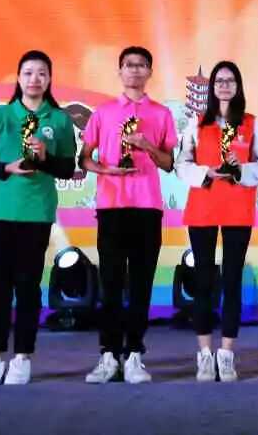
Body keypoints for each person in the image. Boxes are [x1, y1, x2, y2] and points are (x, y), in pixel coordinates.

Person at [0, 50, 78, 386]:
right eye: (28, 72)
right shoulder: (1, 116)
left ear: (50, 79)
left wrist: (44, 159)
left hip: (36, 213)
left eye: (42, 73)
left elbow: (67, 167)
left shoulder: (59, 120)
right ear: (18, 78)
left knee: (28, 286)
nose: (35, 79)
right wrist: (6, 168)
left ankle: (22, 357)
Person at [81, 46, 178, 385]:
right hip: (111, 208)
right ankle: (108, 354)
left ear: (150, 71)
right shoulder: (104, 113)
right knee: (110, 283)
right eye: (128, 65)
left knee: (141, 284)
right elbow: (84, 158)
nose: (134, 70)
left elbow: (169, 164)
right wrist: (105, 170)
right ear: (119, 71)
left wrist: (147, 146)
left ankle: (134, 353)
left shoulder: (161, 114)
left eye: (141, 65)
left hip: (147, 208)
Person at [177, 60, 258, 382]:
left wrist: (240, 170)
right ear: (212, 87)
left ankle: (227, 354)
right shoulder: (197, 123)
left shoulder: (250, 123)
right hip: (202, 208)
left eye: (230, 80)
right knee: (202, 281)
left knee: (232, 280)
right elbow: (182, 163)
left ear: (238, 86)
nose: (224, 86)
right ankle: (204, 353)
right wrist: (206, 173)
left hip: (238, 209)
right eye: (219, 81)